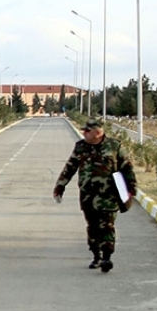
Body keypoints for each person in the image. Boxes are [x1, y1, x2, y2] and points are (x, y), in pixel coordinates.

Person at [52, 117, 137, 273]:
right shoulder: (80, 147)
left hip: (109, 195)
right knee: (92, 227)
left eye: (87, 131)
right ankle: (96, 256)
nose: (84, 133)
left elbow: (127, 168)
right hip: (87, 196)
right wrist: (60, 186)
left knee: (107, 226)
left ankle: (107, 257)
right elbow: (70, 167)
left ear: (97, 132)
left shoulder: (114, 147)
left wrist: (131, 188)